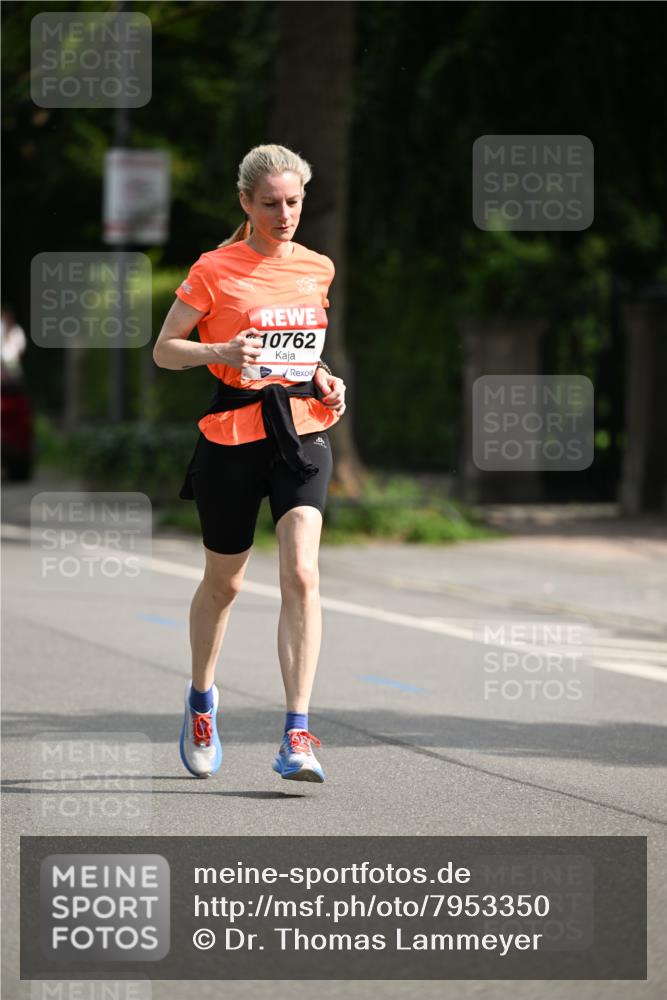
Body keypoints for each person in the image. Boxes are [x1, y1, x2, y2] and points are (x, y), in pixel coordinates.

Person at [153, 144, 346, 783]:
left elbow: (302, 350)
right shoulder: (215, 268)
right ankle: (202, 701)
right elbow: (165, 351)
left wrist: (325, 379)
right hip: (232, 435)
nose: (284, 213)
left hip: (302, 432)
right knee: (226, 583)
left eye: (293, 201)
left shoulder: (318, 267)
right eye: (270, 204)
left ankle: (297, 734)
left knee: (302, 573)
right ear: (246, 203)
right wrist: (223, 349)